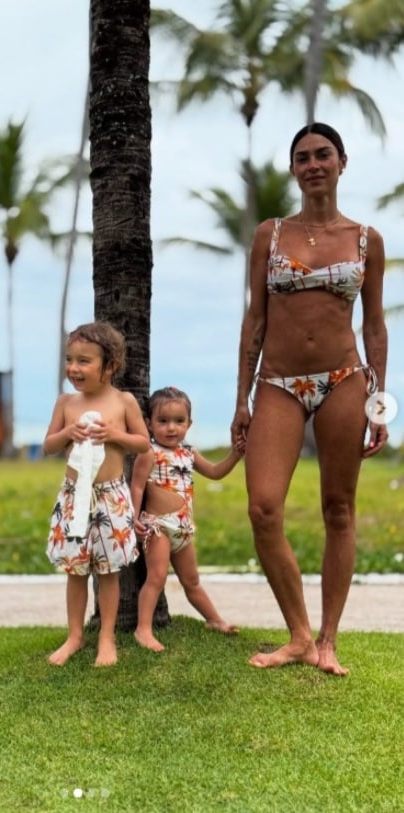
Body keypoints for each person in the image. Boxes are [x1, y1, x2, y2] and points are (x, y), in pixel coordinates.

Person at [230, 122, 388, 676]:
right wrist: (241, 399)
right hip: (278, 382)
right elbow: (255, 320)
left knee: (339, 510)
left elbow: (374, 328)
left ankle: (328, 641)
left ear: (342, 163)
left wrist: (379, 402)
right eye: (303, 157)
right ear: (294, 169)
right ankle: (297, 633)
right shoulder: (269, 235)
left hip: (345, 379)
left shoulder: (366, 239)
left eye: (324, 154)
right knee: (263, 507)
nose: (314, 164)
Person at [44, 322, 150, 667]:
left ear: (110, 366)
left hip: (111, 497)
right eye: (69, 359)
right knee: (76, 570)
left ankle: (106, 637)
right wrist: (67, 433)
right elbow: (48, 446)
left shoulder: (123, 401)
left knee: (108, 571)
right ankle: (74, 636)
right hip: (75, 496)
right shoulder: (66, 403)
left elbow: (143, 443)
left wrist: (114, 434)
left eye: (84, 361)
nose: (73, 368)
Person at [130, 387, 241, 651]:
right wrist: (133, 518)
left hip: (183, 529)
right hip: (158, 527)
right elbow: (136, 486)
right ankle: (143, 629)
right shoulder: (149, 452)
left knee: (192, 581)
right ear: (149, 423)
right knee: (156, 578)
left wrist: (235, 455)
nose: (171, 428)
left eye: (179, 421)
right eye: (163, 421)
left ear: (189, 424)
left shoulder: (189, 453)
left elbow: (214, 472)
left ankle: (215, 620)